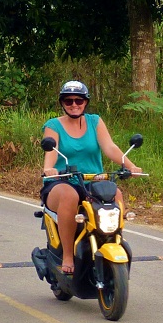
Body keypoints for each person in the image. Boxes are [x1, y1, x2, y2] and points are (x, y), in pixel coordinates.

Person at [41, 80, 142, 274]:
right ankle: (69, 256)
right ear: (62, 103)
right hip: (62, 182)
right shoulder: (53, 125)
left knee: (116, 194)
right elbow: (51, 152)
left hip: (94, 181)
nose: (74, 104)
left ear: (85, 102)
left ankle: (114, 239)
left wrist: (130, 166)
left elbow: (110, 147)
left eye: (78, 100)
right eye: (68, 100)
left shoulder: (95, 121)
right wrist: (49, 169)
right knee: (69, 196)